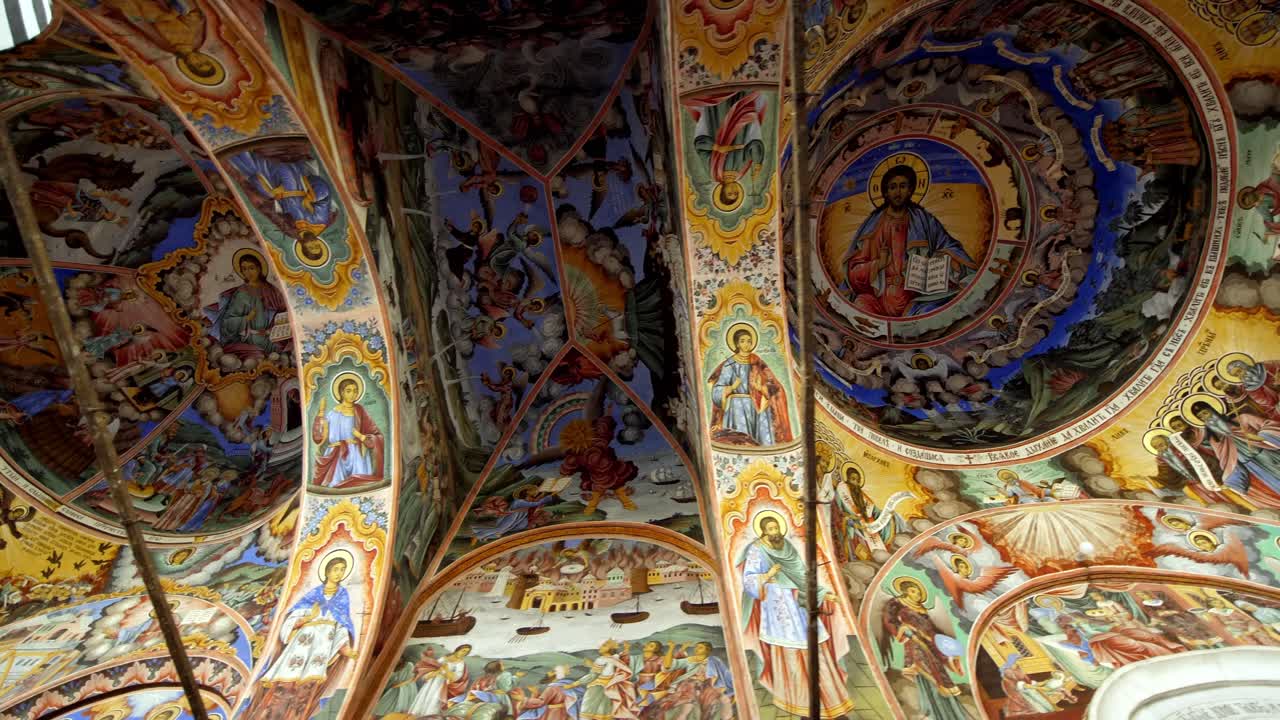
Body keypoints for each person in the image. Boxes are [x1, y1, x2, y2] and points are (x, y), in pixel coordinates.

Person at [738, 513, 852, 718]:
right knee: (791, 654)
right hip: (777, 606)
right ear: (763, 531)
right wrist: (769, 575)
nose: (775, 532)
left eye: (776, 528)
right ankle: (802, 704)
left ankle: (830, 701)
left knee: (814, 647)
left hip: (799, 603)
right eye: (771, 529)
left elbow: (802, 574)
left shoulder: (787, 547)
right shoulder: (756, 550)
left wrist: (822, 592)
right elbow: (749, 581)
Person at [843, 163, 976, 316]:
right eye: (892, 187)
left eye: (903, 186)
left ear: (911, 190)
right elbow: (853, 273)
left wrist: (942, 259)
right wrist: (878, 264)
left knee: (932, 312)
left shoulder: (924, 221)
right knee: (860, 309)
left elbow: (950, 248)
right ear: (885, 192)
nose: (897, 192)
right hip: (877, 297)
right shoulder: (873, 226)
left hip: (917, 297)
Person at [244, 554, 357, 720]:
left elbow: (342, 623)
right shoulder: (314, 594)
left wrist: (345, 647)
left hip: (323, 646)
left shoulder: (343, 595)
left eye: (342, 570)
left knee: (307, 687)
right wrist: (307, 618)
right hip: (302, 643)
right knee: (284, 684)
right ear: (327, 571)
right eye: (335, 569)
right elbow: (291, 619)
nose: (339, 573)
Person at [881, 577, 968, 720]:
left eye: (918, 592)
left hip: (931, 647)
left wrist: (946, 648)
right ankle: (932, 712)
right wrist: (904, 629)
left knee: (939, 677)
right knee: (928, 678)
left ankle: (948, 713)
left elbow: (931, 631)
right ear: (905, 592)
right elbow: (894, 624)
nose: (918, 595)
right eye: (913, 591)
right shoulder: (901, 608)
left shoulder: (922, 610)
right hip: (916, 646)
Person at [707, 325, 792, 447]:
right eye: (742, 341)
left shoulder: (757, 361)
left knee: (762, 426)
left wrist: (760, 388)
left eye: (749, 341)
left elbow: (774, 387)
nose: (746, 344)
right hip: (736, 406)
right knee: (740, 438)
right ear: (736, 344)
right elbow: (717, 388)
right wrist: (731, 387)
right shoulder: (729, 364)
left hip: (755, 405)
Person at [312, 376, 385, 489]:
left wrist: (360, 436)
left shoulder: (360, 411)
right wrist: (321, 413)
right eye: (348, 391)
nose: (353, 394)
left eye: (355, 391)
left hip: (356, 453)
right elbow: (319, 437)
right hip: (336, 453)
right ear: (341, 393)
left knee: (360, 486)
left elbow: (376, 435)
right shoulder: (332, 413)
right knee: (334, 486)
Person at [212, 251, 287, 359]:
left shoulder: (272, 290)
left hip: (275, 332)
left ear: (259, 268)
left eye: (251, 268)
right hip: (250, 335)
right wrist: (247, 318)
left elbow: (284, 310)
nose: (248, 272)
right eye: (244, 269)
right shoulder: (242, 293)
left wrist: (270, 330)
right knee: (260, 342)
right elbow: (227, 322)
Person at [566, 639, 637, 720]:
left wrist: (574, 684)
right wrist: (626, 649)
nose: (600, 647)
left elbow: (592, 676)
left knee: (587, 711)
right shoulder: (615, 658)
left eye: (604, 645)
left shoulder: (601, 659)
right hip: (609, 689)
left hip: (596, 688)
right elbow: (623, 659)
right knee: (603, 713)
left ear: (610, 649)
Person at [407, 644, 471, 717]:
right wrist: (437, 671)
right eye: (463, 651)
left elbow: (455, 678)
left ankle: (428, 717)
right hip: (433, 680)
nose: (464, 653)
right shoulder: (444, 658)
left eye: (466, 652)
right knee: (425, 696)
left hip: (442, 685)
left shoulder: (460, 664)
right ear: (458, 650)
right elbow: (433, 667)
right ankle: (415, 715)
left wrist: (446, 670)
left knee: (434, 700)